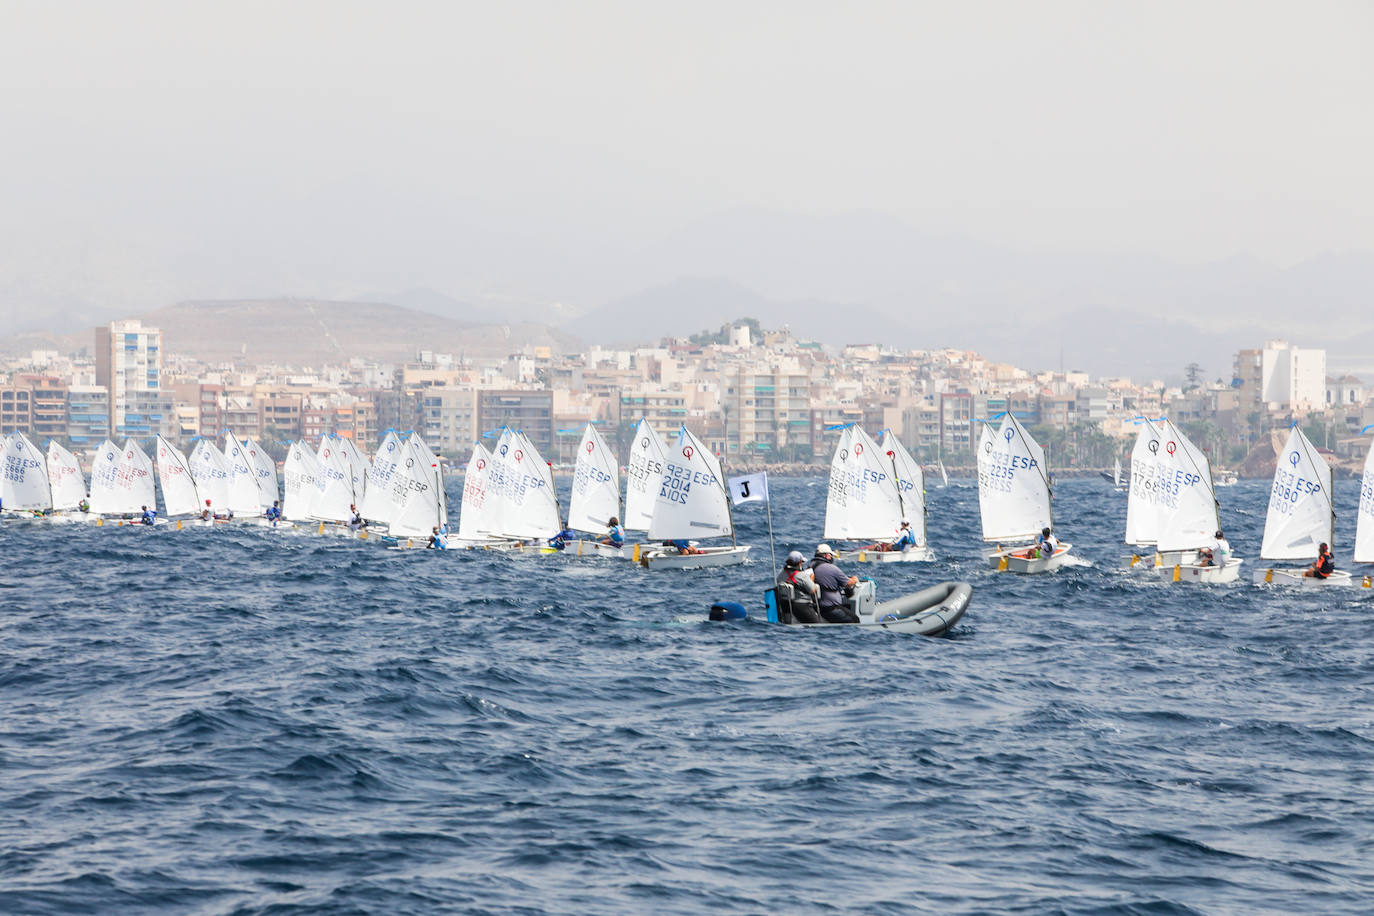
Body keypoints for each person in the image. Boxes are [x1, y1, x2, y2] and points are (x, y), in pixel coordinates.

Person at [810, 544, 859, 623]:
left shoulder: (810, 566)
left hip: (816, 607)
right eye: (831, 555)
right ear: (827, 555)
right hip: (830, 608)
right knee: (855, 619)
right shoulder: (832, 568)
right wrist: (854, 579)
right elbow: (848, 583)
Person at [775, 550, 822, 624]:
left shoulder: (782, 574)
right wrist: (811, 579)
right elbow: (813, 590)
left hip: (786, 606)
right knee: (817, 624)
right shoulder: (802, 575)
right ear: (800, 563)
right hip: (802, 606)